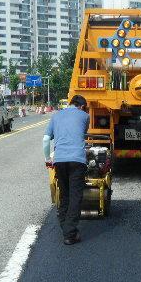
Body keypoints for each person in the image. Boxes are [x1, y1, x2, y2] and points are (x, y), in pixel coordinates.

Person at [43, 95, 90, 245]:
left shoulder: (56, 116)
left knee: (64, 195)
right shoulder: (85, 115)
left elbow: (45, 139)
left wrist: (47, 159)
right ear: (82, 106)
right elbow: (82, 134)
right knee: (76, 196)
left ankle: (65, 227)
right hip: (77, 160)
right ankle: (70, 234)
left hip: (60, 160)